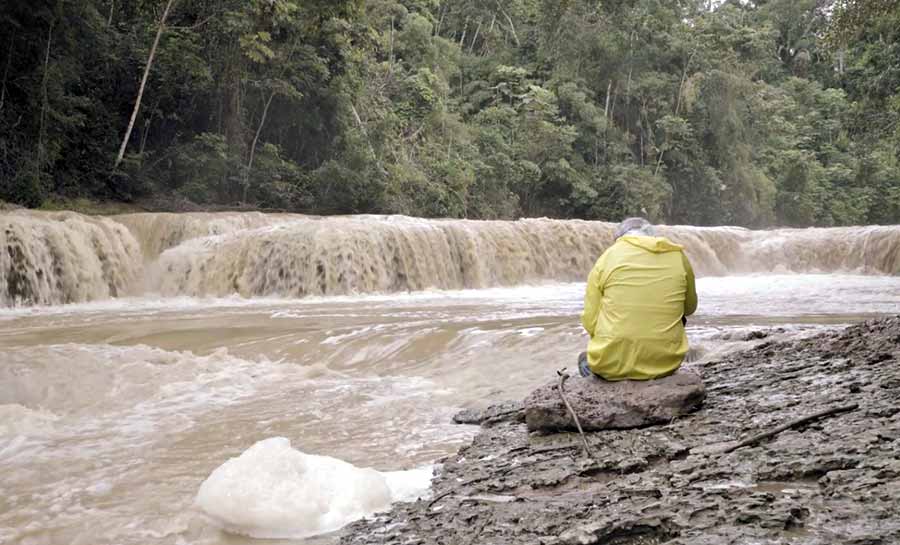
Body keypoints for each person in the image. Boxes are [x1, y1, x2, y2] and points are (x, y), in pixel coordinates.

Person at [578, 217, 697, 381]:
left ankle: (600, 366)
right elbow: (689, 308)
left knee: (585, 357)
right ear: (652, 236)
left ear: (620, 237)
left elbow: (590, 320)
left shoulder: (607, 258)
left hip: (610, 366)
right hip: (667, 364)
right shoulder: (676, 254)